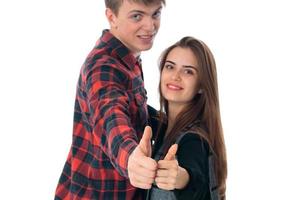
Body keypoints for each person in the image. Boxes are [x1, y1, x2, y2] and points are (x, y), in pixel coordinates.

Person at [54, 0, 165, 199]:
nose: (150, 26)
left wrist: (178, 122)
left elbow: (132, 109)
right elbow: (110, 117)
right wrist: (132, 158)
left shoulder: (127, 56)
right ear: (111, 17)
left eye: (155, 14)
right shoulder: (103, 68)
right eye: (137, 16)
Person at [147, 37, 227, 200]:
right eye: (170, 67)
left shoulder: (194, 139)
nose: (175, 76)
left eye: (188, 71)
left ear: (202, 86)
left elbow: (196, 181)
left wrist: (181, 178)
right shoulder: (163, 125)